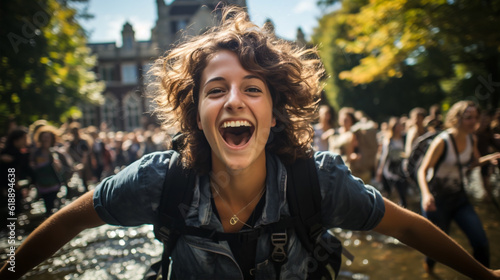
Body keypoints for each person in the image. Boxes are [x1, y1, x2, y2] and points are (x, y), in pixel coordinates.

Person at [1, 7, 500, 280]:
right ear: (195, 112)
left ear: (275, 110)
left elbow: (407, 228)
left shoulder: (318, 180)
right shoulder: (158, 179)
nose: (234, 99)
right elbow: (69, 219)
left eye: (253, 89)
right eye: (216, 90)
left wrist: (483, 274)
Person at [418, 100, 500, 275]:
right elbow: (422, 170)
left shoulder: (472, 138)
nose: (473, 121)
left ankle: (483, 276)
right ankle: (429, 271)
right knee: (436, 248)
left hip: (459, 198)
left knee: (481, 242)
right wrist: (425, 195)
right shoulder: (442, 141)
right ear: (456, 118)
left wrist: (490, 158)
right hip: (437, 200)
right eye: (468, 117)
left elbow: (472, 163)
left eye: (476, 117)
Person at [30, 125, 68, 217]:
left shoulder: (56, 153)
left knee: (53, 207)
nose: (46, 139)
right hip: (41, 185)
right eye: (44, 137)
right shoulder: (36, 153)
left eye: (48, 137)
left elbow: (63, 169)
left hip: (54, 185)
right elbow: (32, 167)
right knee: (47, 207)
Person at [377, 117, 408, 207]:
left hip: (402, 169)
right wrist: (380, 170)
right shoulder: (389, 141)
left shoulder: (404, 138)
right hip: (391, 170)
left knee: (402, 192)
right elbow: (384, 156)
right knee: (392, 192)